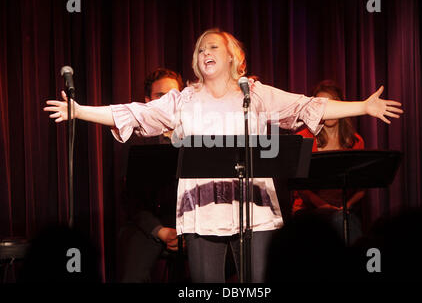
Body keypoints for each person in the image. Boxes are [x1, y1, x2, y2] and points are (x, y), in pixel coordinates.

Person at [44, 28, 403, 282]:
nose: (205, 53)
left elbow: (309, 107)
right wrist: (80, 111)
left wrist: (364, 107)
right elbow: (132, 112)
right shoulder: (182, 100)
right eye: (200, 49)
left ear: (235, 58)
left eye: (213, 47)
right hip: (203, 213)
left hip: (256, 213)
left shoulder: (256, 95)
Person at [118, 68, 184, 282]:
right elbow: (132, 202)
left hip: (194, 224)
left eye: (173, 96)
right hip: (150, 223)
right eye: (160, 96)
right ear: (147, 101)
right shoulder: (134, 140)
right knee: (133, 274)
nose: (167, 102)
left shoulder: (200, 135)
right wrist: (160, 231)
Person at [293, 80, 366, 244]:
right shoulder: (304, 138)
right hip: (309, 210)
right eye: (322, 105)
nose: (327, 110)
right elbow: (301, 188)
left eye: (332, 104)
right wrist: (325, 206)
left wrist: (344, 207)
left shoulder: (355, 141)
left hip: (344, 210)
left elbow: (362, 188)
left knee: (344, 222)